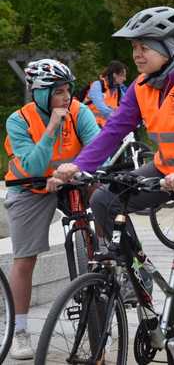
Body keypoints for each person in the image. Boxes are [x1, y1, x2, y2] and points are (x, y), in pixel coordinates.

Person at [51, 6, 174, 364]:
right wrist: (79, 165)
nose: (137, 54)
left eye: (146, 46)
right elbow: (115, 130)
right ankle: (136, 274)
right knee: (105, 199)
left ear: (170, 46)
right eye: (135, 46)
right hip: (167, 169)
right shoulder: (141, 85)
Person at [4, 59, 100, 359]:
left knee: (109, 197)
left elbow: (98, 148)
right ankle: (19, 330)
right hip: (31, 188)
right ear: (41, 94)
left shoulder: (78, 111)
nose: (67, 97)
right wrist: (52, 127)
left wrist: (73, 173)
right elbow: (31, 163)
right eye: (59, 91)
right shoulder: (18, 120)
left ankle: (125, 265)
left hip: (69, 180)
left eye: (68, 90)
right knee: (25, 258)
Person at [84, 60, 128, 127]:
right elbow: (102, 108)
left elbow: (128, 105)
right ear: (114, 75)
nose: (125, 79)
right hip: (88, 127)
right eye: (122, 76)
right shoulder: (97, 85)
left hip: (105, 128)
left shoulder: (119, 92)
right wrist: (119, 118)